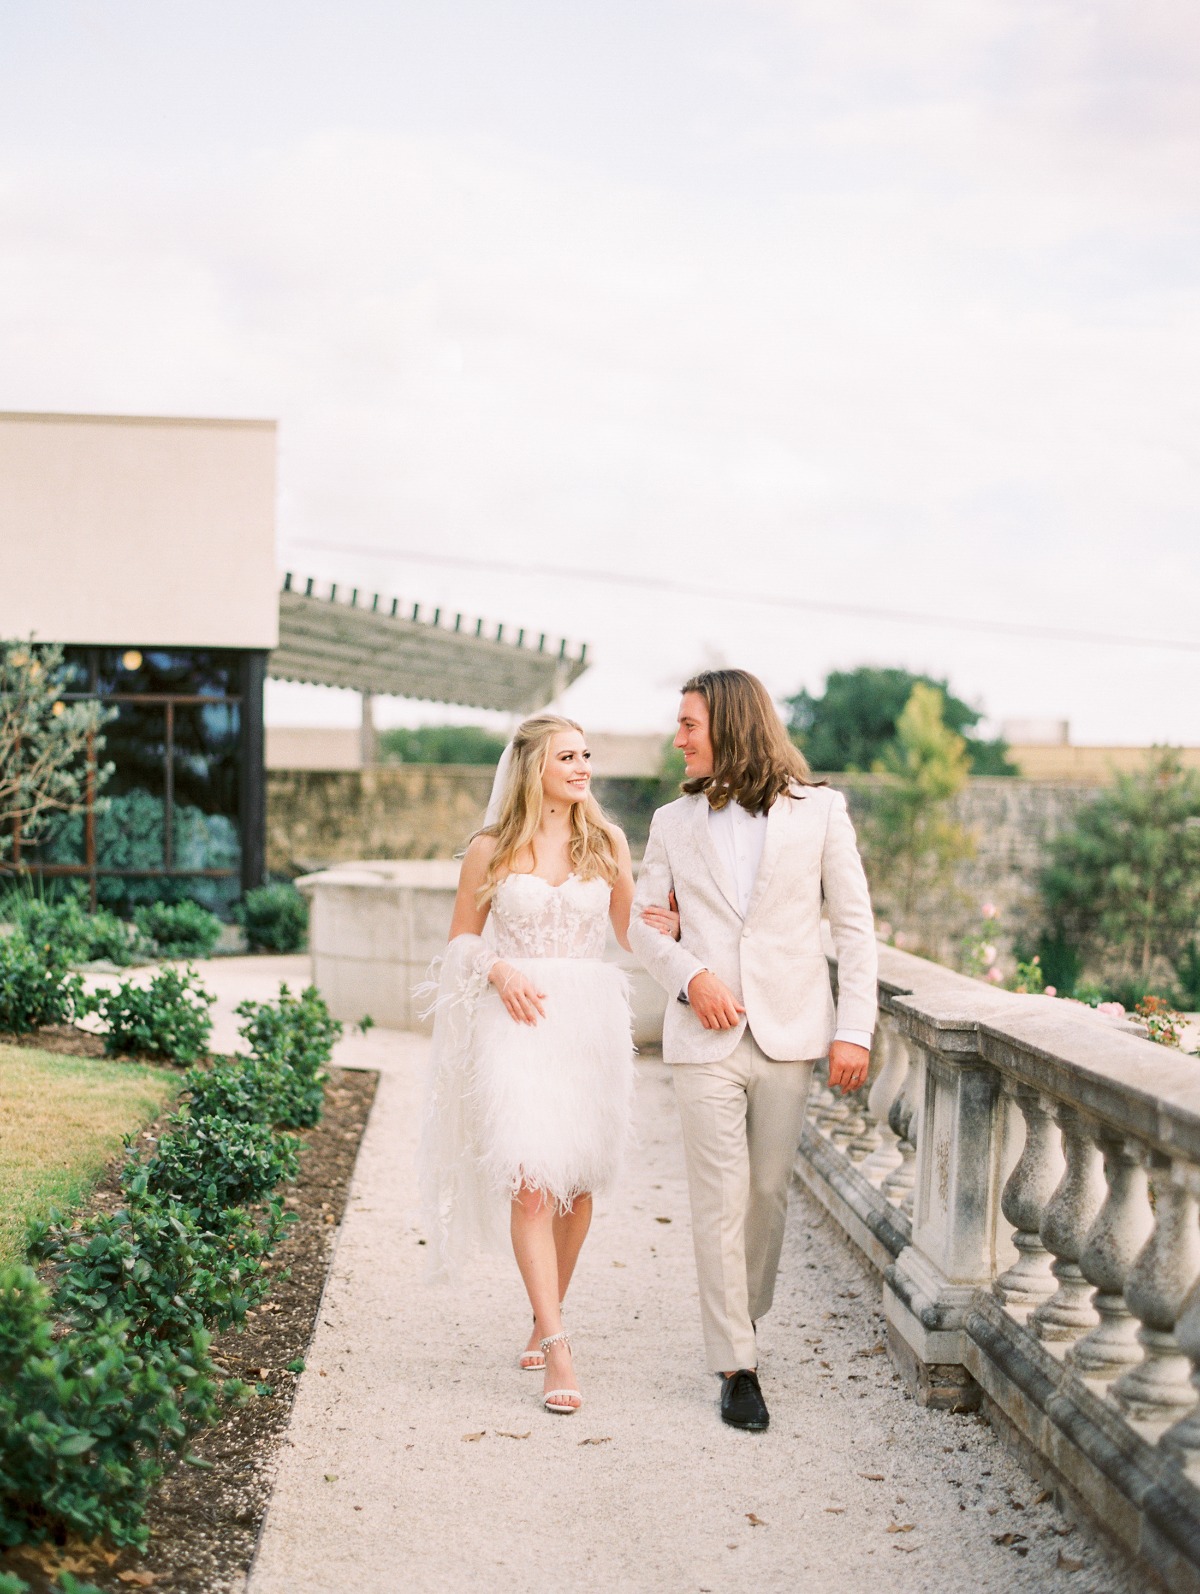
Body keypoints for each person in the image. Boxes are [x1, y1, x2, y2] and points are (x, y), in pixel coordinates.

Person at [628, 669, 877, 1432]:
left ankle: (745, 1309)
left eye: (689, 725)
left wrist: (854, 1029)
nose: (678, 739)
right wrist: (690, 975)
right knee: (718, 1198)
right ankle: (738, 1363)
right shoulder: (672, 822)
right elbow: (642, 923)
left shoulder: (822, 813)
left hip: (793, 1030)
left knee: (767, 1194)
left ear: (730, 726)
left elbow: (855, 928)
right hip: (703, 1036)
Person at [419, 714, 636, 1416]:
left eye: (587, 755)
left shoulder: (606, 843)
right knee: (533, 1188)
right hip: (516, 1025)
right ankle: (559, 1344)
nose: (583, 767)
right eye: (567, 756)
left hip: (588, 1027)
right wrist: (500, 969)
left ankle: (544, 1316)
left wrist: (689, 932)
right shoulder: (489, 848)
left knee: (577, 1191)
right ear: (533, 767)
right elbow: (460, 940)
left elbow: (634, 933)